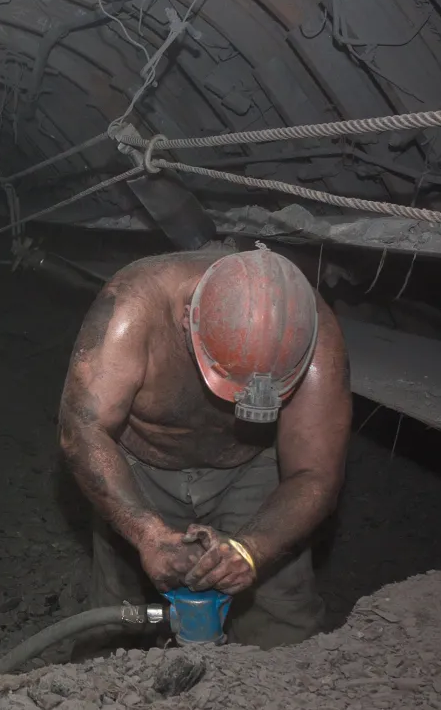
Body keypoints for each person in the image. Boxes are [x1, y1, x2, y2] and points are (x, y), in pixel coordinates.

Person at [58, 244, 351, 648]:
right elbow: (82, 427)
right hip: (140, 469)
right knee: (118, 619)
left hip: (252, 470)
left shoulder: (310, 330)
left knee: (283, 626)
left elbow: (315, 473)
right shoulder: (135, 307)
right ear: (187, 321)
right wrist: (148, 534)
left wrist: (251, 549)